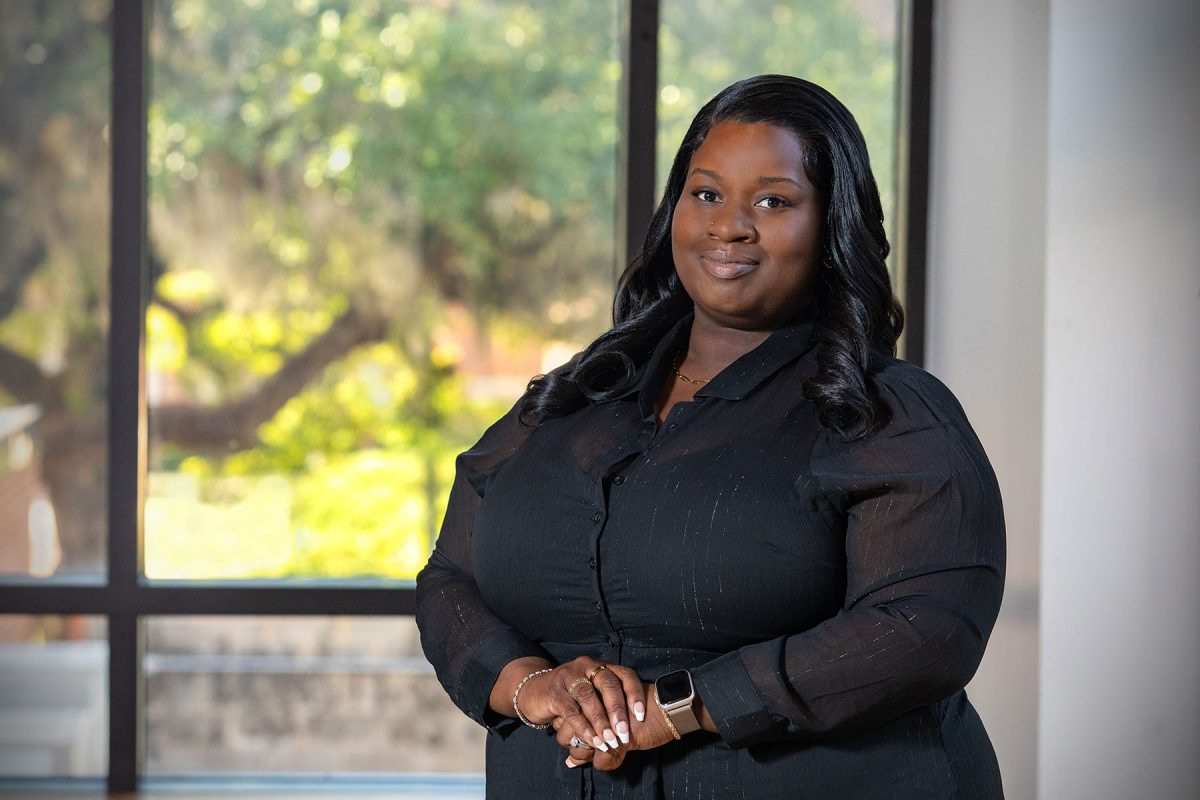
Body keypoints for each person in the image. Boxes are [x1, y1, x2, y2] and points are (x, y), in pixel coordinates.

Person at [416, 74, 1006, 799]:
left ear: (831, 226)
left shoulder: (890, 414)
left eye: (773, 200)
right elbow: (451, 579)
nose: (730, 225)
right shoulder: (572, 398)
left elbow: (925, 631)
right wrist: (532, 683)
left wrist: (682, 708)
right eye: (706, 194)